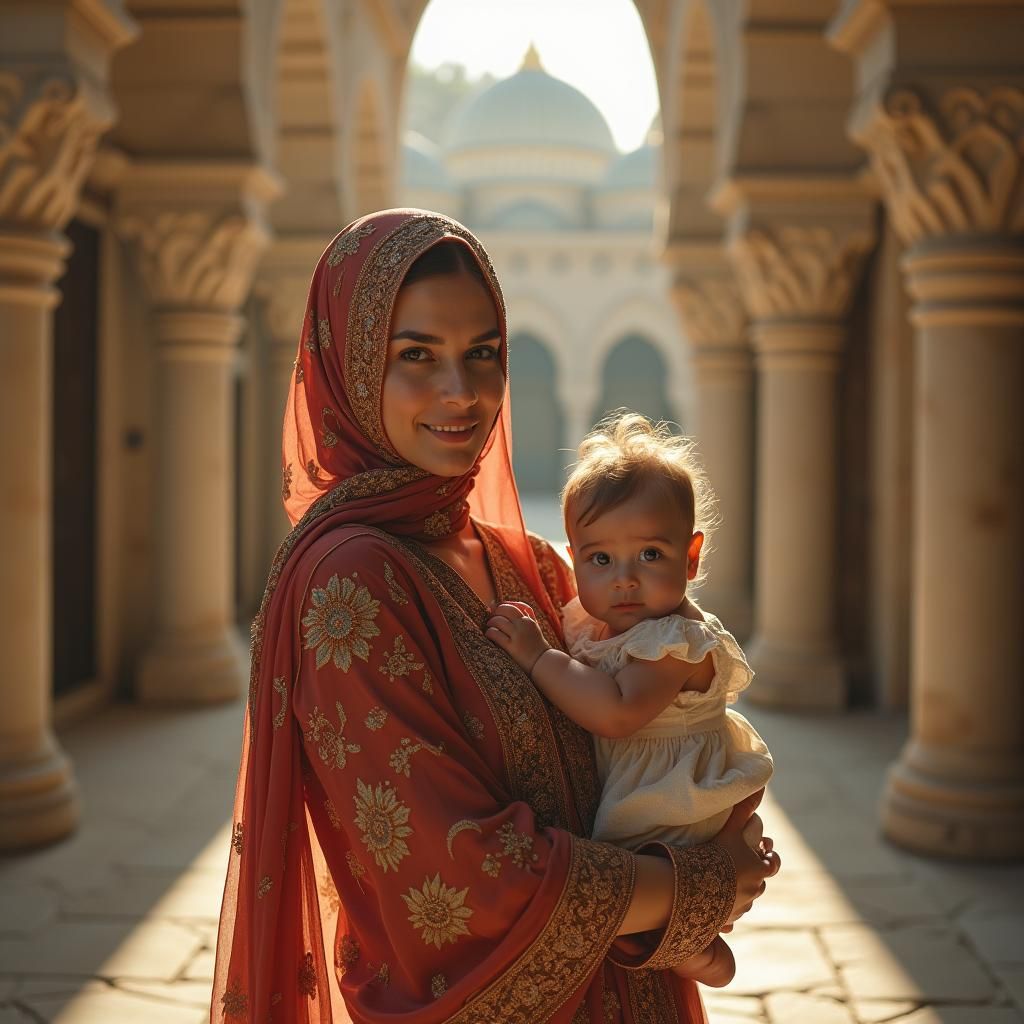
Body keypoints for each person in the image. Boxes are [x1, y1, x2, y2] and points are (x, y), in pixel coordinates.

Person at [211, 209, 780, 1024]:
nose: (462, 393)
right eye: (416, 356)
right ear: (348, 367)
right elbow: (467, 876)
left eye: (483, 354)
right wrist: (699, 883)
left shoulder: (525, 561)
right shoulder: (350, 587)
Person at [485, 413, 775, 990]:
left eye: (649, 555)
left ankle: (700, 947)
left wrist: (539, 659)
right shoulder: (600, 624)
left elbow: (617, 713)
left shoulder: (674, 642)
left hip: (671, 797)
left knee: (611, 891)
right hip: (645, 787)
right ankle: (691, 937)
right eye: (600, 560)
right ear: (574, 556)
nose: (623, 580)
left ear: (690, 558)